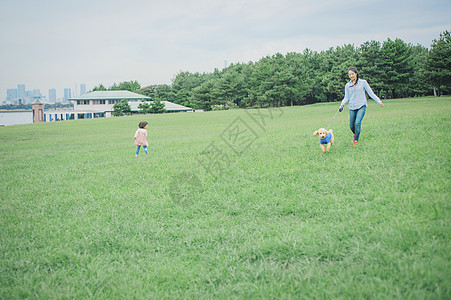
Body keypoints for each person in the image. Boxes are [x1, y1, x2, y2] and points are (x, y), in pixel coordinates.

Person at [340, 67, 384, 147]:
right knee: (351, 126)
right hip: (352, 107)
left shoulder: (363, 82)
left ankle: (356, 140)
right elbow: (346, 97)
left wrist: (379, 101)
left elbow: (370, 93)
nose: (351, 76)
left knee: (357, 123)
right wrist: (342, 103)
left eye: (352, 74)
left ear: (356, 74)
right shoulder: (347, 85)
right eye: (349, 74)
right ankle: (355, 133)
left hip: (361, 106)